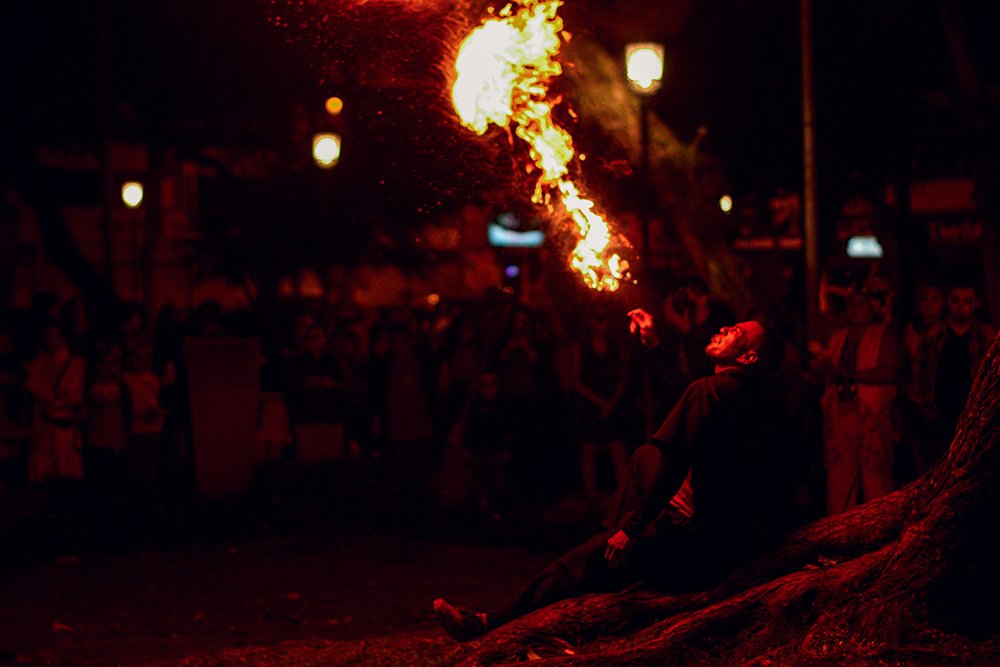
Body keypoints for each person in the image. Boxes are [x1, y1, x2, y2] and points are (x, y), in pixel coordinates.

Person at [433, 318, 792, 641]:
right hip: (730, 542)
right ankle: (615, 543)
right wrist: (653, 344)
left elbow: (674, 461)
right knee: (645, 456)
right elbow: (687, 397)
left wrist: (631, 530)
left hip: (694, 542)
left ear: (748, 357)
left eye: (736, 332)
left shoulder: (709, 391)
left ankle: (487, 623)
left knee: (579, 562)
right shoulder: (753, 397)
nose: (724, 329)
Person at [808, 287, 900, 515]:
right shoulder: (838, 336)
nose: (855, 309)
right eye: (851, 304)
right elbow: (829, 371)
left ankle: (879, 526)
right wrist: (820, 370)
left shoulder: (883, 334)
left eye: (861, 303)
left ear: (872, 307)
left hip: (871, 414)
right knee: (839, 480)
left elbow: (889, 372)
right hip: (839, 412)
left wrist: (848, 373)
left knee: (875, 479)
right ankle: (840, 530)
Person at [909, 283, 995, 470]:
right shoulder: (933, 334)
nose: (961, 306)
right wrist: (926, 408)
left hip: (975, 415)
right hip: (939, 414)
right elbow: (920, 373)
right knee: (941, 467)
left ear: (977, 303)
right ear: (948, 302)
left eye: (967, 301)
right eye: (955, 300)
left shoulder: (985, 334)